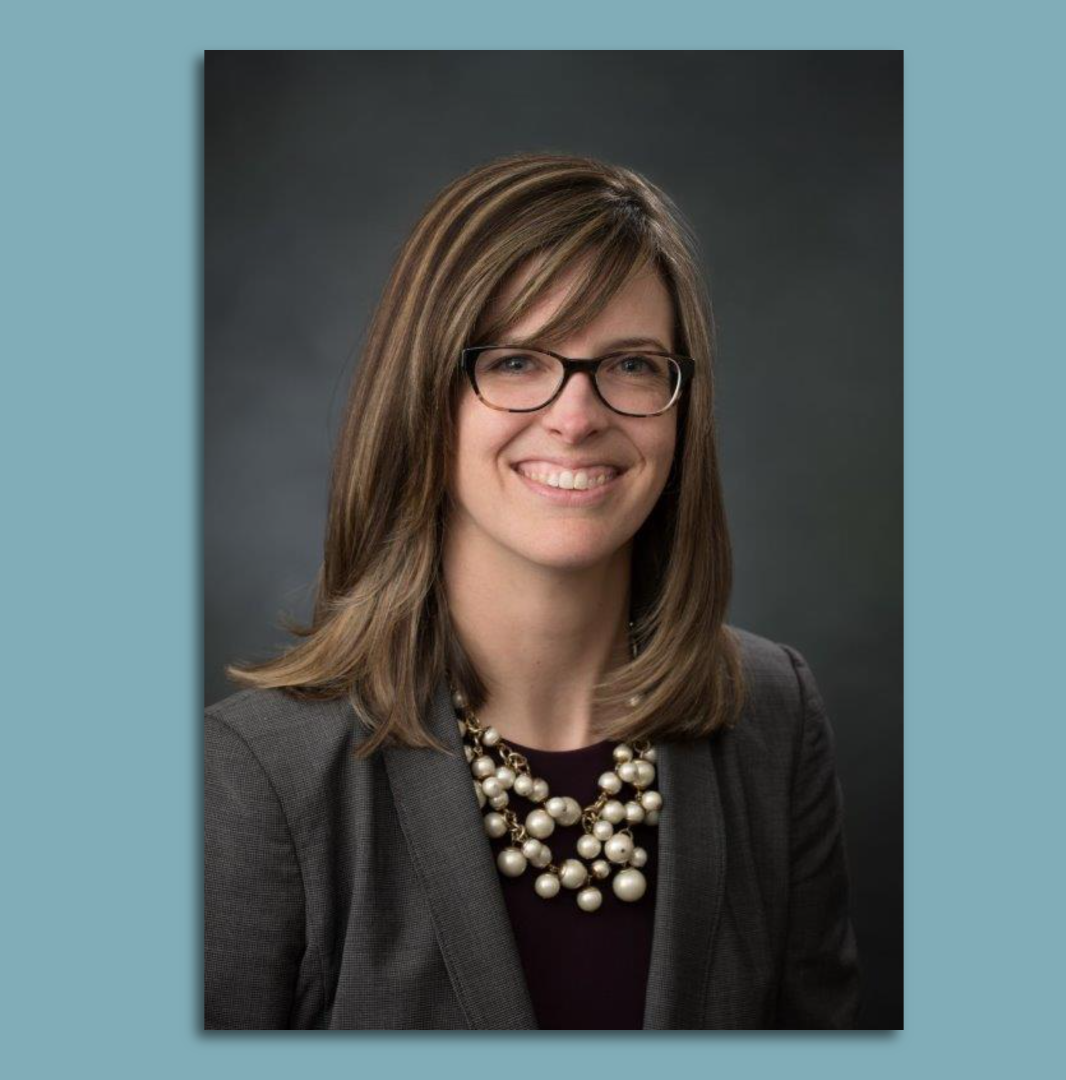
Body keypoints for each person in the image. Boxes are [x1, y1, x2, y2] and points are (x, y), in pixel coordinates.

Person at [205, 152, 860, 1029]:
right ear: (423, 398)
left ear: (681, 406)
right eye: (515, 361)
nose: (578, 415)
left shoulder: (772, 716)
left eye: (630, 365)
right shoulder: (256, 774)